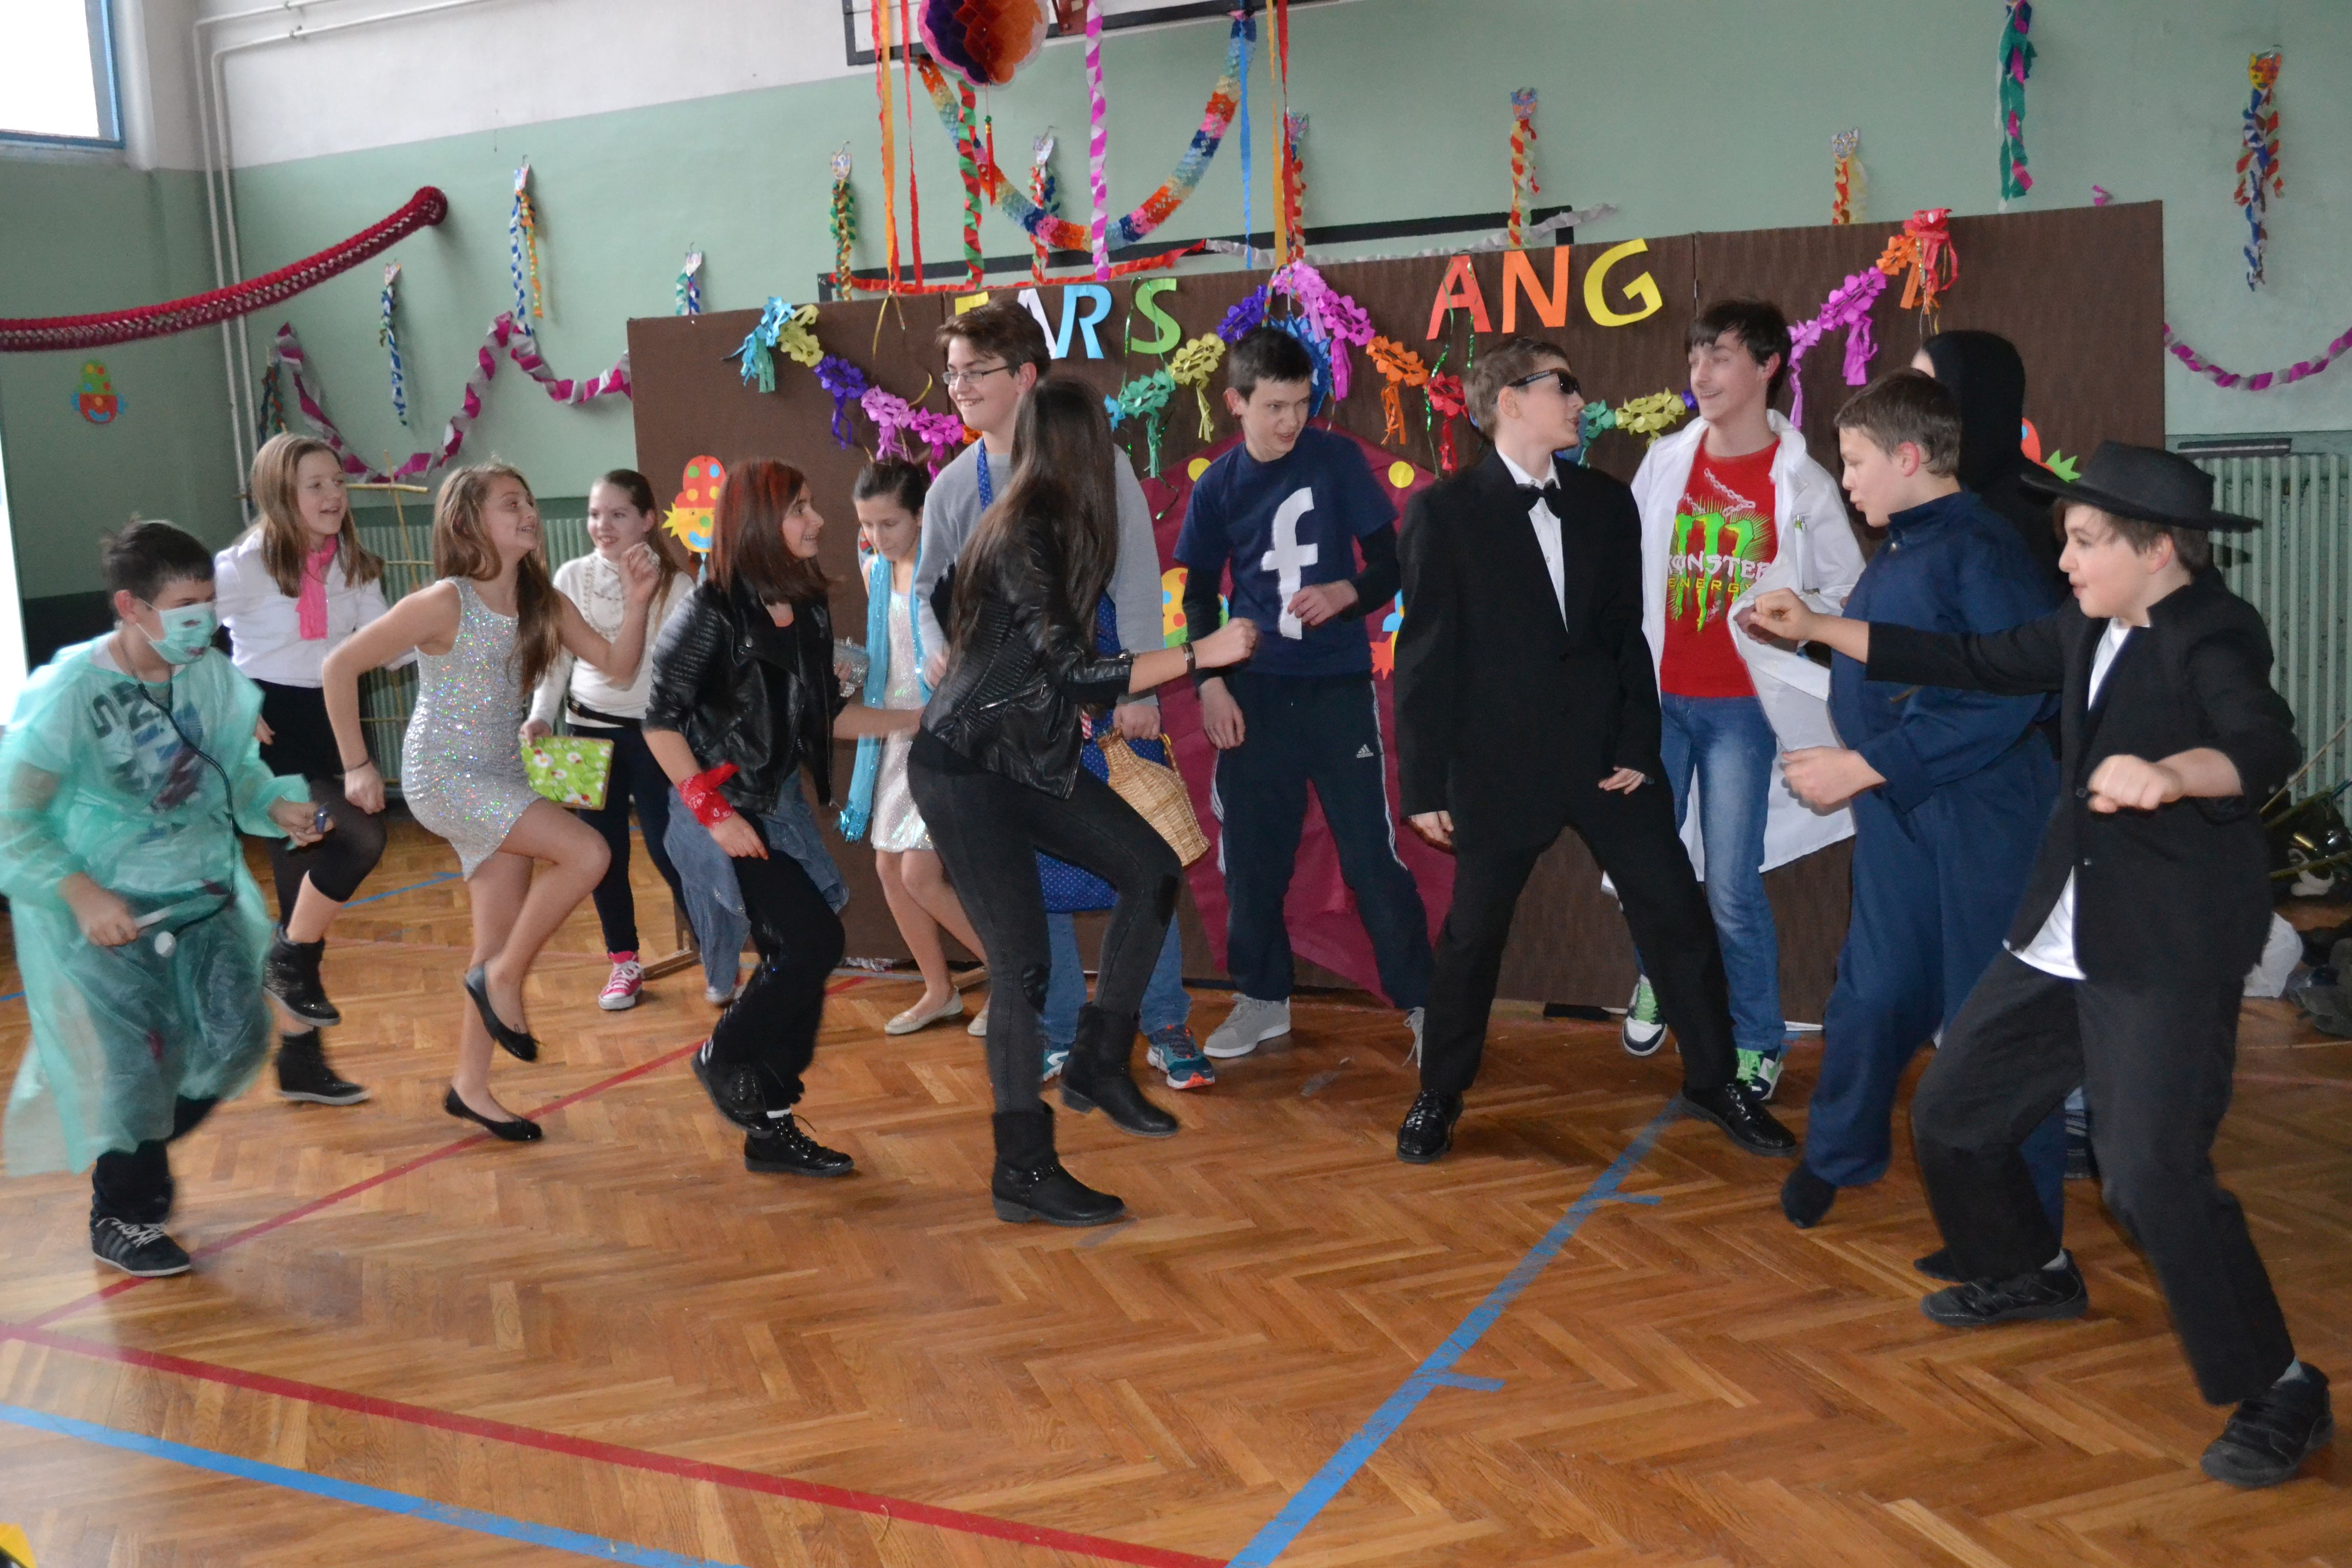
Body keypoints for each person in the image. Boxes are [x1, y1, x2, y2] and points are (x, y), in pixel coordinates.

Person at [1750, 442, 2331, 1490]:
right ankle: (2032, 1270)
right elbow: (1969, 660)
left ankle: (2281, 1386)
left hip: (2162, 948)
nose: (2062, 561)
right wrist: (1820, 628)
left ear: (2156, 551)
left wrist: (2171, 774)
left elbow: (2260, 744)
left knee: (2148, 1176)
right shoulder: (2086, 624)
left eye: (2083, 542)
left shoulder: (2213, 631)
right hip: (2067, 928)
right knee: (1955, 1111)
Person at [1392, 335, 1796, 1164]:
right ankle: (1439, 1093)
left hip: (1607, 759)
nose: (1581, 402)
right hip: (1499, 765)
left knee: (1676, 913)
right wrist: (1423, 784)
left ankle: (1714, 1079)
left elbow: (1624, 637)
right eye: (1563, 387)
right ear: (1509, 401)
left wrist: (1639, 744)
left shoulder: (1607, 503)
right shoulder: (1443, 511)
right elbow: (1425, 656)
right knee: (1472, 936)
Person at [909, 376, 1258, 1226]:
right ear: (1081, 448)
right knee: (1022, 969)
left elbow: (978, 620)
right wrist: (1199, 654)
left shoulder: (1052, 525)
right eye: (1101, 440)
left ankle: (1101, 1059)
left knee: (1150, 869)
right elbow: (1072, 669)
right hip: (965, 773)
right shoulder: (1024, 531)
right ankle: (1022, 1172)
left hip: (1025, 762)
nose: (1111, 456)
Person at [1769, 372, 2068, 1241]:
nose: (1846, 479)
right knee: (1871, 995)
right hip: (1901, 814)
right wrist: (1811, 633)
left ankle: (2017, 1242)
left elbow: (2006, 694)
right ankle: (1838, 1154)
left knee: (1989, 1023)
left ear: (1908, 457)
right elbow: (1905, 662)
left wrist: (1866, 764)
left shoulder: (1982, 549)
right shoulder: (1903, 547)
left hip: (1984, 817)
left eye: (1855, 461)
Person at [0, 521, 323, 1277]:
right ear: (131, 607)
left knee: (238, 1040)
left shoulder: (208, 676)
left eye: (209, 602)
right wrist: (81, 893)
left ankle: (133, 1143)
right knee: (141, 1063)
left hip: (203, 896)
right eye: (184, 607)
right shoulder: (71, 694)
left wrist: (275, 806)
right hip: (111, 914)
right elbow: (13, 817)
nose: (202, 621)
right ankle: (124, 1210)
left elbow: (235, 770)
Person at [324, 462, 659, 1141]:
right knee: (589, 852)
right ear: (468, 521)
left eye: (529, 500)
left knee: (495, 941)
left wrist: (638, 599)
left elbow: (619, 666)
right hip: (444, 775)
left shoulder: (542, 602)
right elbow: (339, 666)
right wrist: (357, 765)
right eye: (511, 503)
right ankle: (506, 980)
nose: (529, 512)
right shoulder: (444, 602)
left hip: (502, 774)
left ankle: (470, 1087)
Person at [913, 299, 1186, 1061]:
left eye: (976, 371)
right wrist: (934, 649)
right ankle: (1058, 1030)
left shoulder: (1098, 462)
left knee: (1144, 856)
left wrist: (1136, 692)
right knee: (1030, 875)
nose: (960, 387)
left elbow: (1137, 578)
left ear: (1026, 377)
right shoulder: (951, 487)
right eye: (952, 374)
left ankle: (1164, 1023)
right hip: (1006, 713)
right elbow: (926, 588)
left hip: (1099, 687)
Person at [644, 458, 919, 1177]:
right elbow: (660, 724)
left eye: (810, 505)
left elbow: (825, 719)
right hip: (716, 809)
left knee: (800, 954)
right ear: (761, 521)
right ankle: (723, 1056)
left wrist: (915, 720)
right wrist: (715, 818)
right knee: (812, 942)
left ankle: (769, 1130)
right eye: (800, 508)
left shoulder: (808, 607)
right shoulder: (709, 610)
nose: (817, 520)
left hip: (777, 808)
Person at [1619, 300, 1865, 1099]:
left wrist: (1799, 622)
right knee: (1646, 864)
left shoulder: (1803, 482)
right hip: (1660, 701)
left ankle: (1758, 1038)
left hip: (1740, 712)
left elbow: (1848, 589)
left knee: (1730, 883)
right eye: (1695, 357)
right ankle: (1658, 973)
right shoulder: (1665, 460)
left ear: (1767, 368)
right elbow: (1626, 568)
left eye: (1720, 357)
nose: (1701, 374)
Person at [1175, 327, 1433, 1066]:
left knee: (1370, 855)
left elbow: (1391, 563)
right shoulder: (1217, 485)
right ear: (1236, 403)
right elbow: (1198, 598)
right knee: (1253, 861)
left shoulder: (1336, 459)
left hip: (1337, 690)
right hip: (1255, 693)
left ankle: (1426, 1004)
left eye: (1302, 404)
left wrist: (1349, 591)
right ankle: (1262, 999)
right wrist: (1211, 684)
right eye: (1275, 406)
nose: (1292, 420)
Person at [214, 432, 401, 1107]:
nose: (332, 496)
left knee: (303, 906)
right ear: (279, 495)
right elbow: (180, 639)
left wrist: (450, 636)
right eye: (314, 485)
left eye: (337, 482)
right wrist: (234, 702)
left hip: (331, 721)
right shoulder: (242, 567)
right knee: (361, 838)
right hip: (272, 735)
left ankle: (299, 1059)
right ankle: (286, 961)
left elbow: (385, 644)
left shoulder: (351, 561)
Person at [524, 470, 698, 1012]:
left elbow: (685, 670)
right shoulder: (570, 576)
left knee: (674, 850)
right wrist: (541, 715)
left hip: (654, 737)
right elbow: (556, 659)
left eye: (618, 514)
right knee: (601, 854)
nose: (603, 525)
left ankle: (714, 949)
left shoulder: (676, 586)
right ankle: (623, 961)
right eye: (595, 514)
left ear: (647, 521)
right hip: (585, 734)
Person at [839, 457, 987, 1036]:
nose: (876, 537)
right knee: (887, 867)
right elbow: (889, 651)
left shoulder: (948, 569)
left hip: (940, 733)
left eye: (889, 524)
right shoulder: (876, 569)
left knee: (920, 874)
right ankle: (939, 990)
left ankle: (1017, 977)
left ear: (922, 516)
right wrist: (849, 669)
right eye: (866, 524)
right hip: (896, 732)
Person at [1914, 331, 2066, 584]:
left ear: (1976, 396)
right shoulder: (1925, 497)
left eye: (1928, 391)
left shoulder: (2042, 509)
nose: (1910, 408)